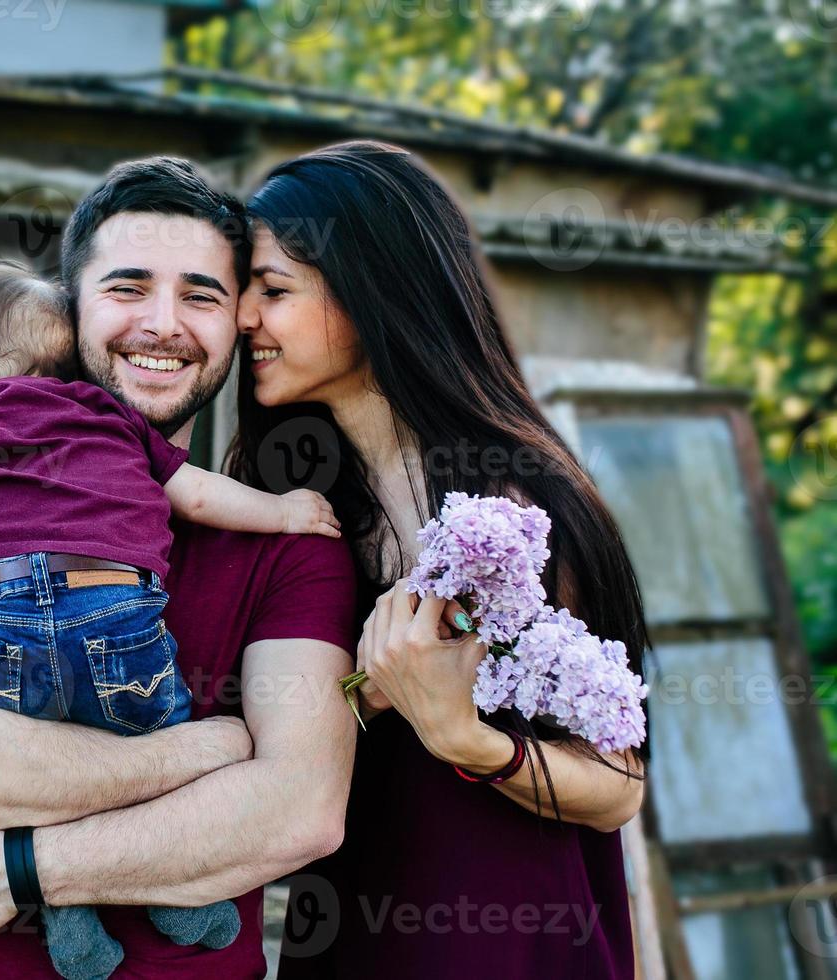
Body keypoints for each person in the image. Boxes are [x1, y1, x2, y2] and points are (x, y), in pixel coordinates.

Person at [0, 157, 358, 978]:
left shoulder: (292, 546)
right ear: (68, 308)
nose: (162, 324)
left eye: (200, 295)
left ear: (236, 326)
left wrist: (18, 868)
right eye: (126, 288)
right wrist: (204, 756)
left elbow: (298, 811)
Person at [230, 139, 648, 978]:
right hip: (349, 930)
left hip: (512, 939)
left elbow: (619, 786)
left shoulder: (525, 508)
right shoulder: (280, 502)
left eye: (273, 290)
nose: (244, 317)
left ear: (372, 290)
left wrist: (466, 738)